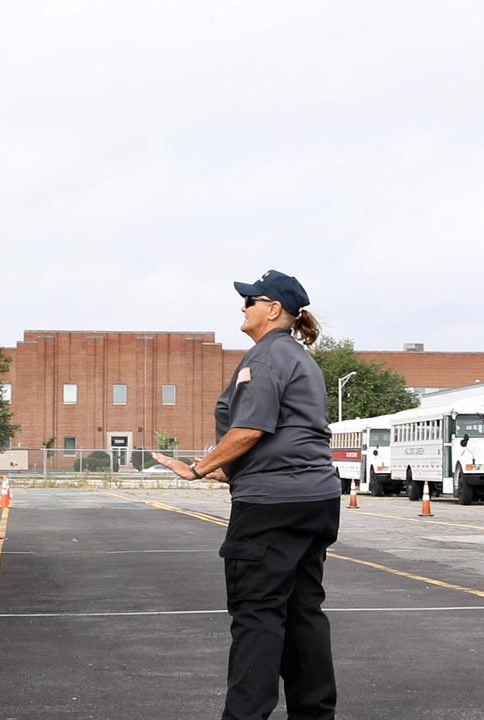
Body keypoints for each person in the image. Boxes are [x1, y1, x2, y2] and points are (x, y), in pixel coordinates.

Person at [153, 269, 340, 720]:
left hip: (272, 507)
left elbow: (252, 427)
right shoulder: (298, 357)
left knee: (257, 616)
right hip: (315, 499)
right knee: (303, 613)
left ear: (274, 309)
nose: (243, 307)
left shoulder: (267, 355)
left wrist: (199, 468)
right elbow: (289, 433)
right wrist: (231, 470)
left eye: (250, 300)